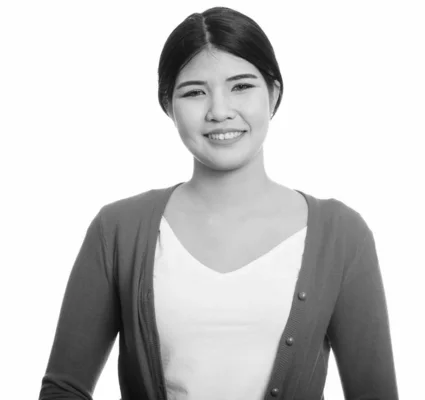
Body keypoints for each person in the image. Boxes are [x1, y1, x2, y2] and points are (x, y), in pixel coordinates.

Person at [39, 6, 398, 400]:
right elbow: (64, 389)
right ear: (167, 106)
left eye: (241, 86)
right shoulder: (118, 230)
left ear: (274, 93)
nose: (219, 111)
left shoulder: (341, 235)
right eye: (194, 92)